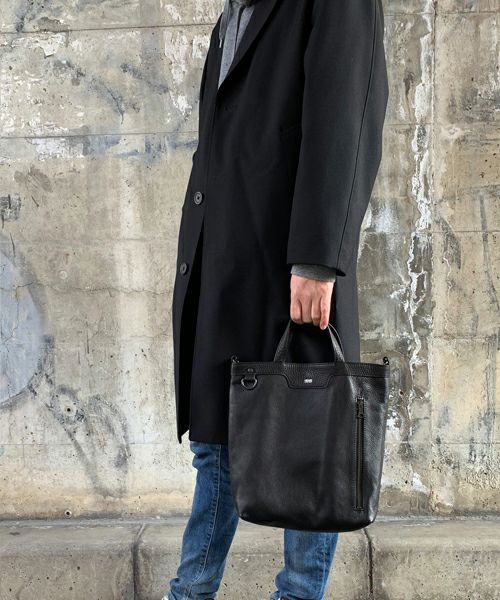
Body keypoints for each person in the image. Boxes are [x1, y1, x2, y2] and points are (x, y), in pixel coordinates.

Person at [166, 0, 388, 598]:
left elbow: (347, 115)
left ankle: (297, 593)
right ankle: (190, 591)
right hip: (224, 264)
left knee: (315, 438)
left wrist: (317, 259)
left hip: (292, 264)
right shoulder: (233, 14)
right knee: (214, 440)